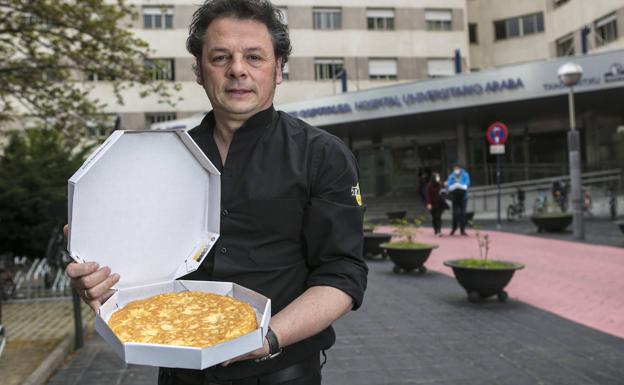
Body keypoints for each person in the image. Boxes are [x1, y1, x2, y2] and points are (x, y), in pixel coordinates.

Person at [65, 1, 368, 384]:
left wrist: (266, 337)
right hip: (179, 372)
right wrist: (98, 279)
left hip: (280, 372)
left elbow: (343, 273)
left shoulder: (322, 155)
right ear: (198, 70)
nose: (237, 69)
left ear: (278, 69)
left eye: (254, 57)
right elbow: (145, 269)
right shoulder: (166, 161)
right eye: (220, 57)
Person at [446, 163, 470, 236]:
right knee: (455, 214)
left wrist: (461, 185)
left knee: (463, 214)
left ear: (460, 169)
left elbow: (467, 183)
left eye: (457, 169)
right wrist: (452, 186)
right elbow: (449, 184)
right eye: (455, 169)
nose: (456, 170)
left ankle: (462, 230)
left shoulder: (465, 174)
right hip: (455, 197)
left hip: (463, 197)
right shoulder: (452, 175)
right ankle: (454, 228)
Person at [425, 172, 444, 237]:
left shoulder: (440, 184)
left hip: (439, 204)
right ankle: (436, 230)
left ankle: (439, 230)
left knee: (438, 217)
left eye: (438, 177)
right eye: (437, 177)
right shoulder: (429, 185)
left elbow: (443, 192)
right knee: (434, 218)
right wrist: (429, 203)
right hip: (432, 204)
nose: (438, 178)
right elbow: (428, 196)